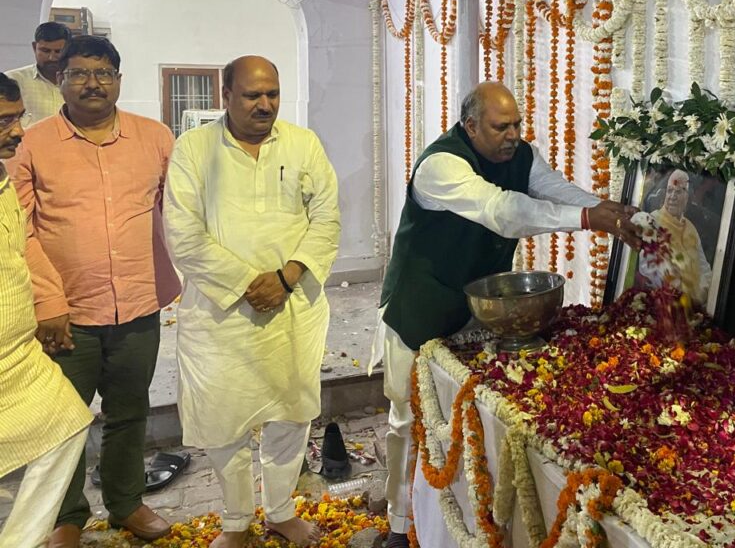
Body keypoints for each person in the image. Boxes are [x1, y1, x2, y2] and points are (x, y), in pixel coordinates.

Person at [374, 81, 642, 548]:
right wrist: (587, 220)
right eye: (502, 127)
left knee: (464, 417)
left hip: (476, 308)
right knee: (409, 419)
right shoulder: (440, 166)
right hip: (419, 306)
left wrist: (604, 209)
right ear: (470, 126)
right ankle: (400, 524)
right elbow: (503, 211)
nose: (513, 134)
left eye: (517, 123)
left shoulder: (521, 156)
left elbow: (554, 189)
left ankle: (458, 520)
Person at [162, 56, 340, 548]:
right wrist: (249, 283)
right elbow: (183, 235)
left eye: (272, 94)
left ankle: (281, 511)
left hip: (294, 308)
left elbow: (327, 218)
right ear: (225, 96)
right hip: (220, 314)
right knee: (224, 422)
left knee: (292, 414)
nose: (265, 104)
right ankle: (236, 522)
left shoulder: (303, 144)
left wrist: (287, 277)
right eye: (252, 95)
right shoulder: (194, 149)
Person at [9, 36, 178, 547]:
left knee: (130, 411)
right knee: (63, 423)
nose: (92, 83)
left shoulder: (155, 138)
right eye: (79, 73)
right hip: (66, 313)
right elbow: (20, 228)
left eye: (103, 73)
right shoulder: (33, 143)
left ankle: (127, 503)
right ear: (59, 80)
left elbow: (178, 211)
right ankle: (67, 516)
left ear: (119, 80)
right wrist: (47, 301)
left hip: (138, 305)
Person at [0, 74, 94, 548]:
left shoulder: (2, 180)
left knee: (67, 423)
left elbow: (21, 247)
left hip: (17, 354)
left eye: (18, 118)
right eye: (4, 121)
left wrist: (50, 301)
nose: (18, 132)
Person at [635, 169, 712, 306]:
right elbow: (647, 265)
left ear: (687, 197)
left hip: (694, 303)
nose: (672, 197)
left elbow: (704, 268)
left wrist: (700, 293)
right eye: (670, 191)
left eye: (678, 192)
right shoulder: (653, 221)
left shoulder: (691, 229)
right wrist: (677, 287)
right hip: (664, 302)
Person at [5, 22, 71, 127]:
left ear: (69, 50)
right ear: (34, 47)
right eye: (45, 51)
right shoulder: (12, 81)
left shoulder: (78, 83)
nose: (51, 57)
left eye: (58, 51)